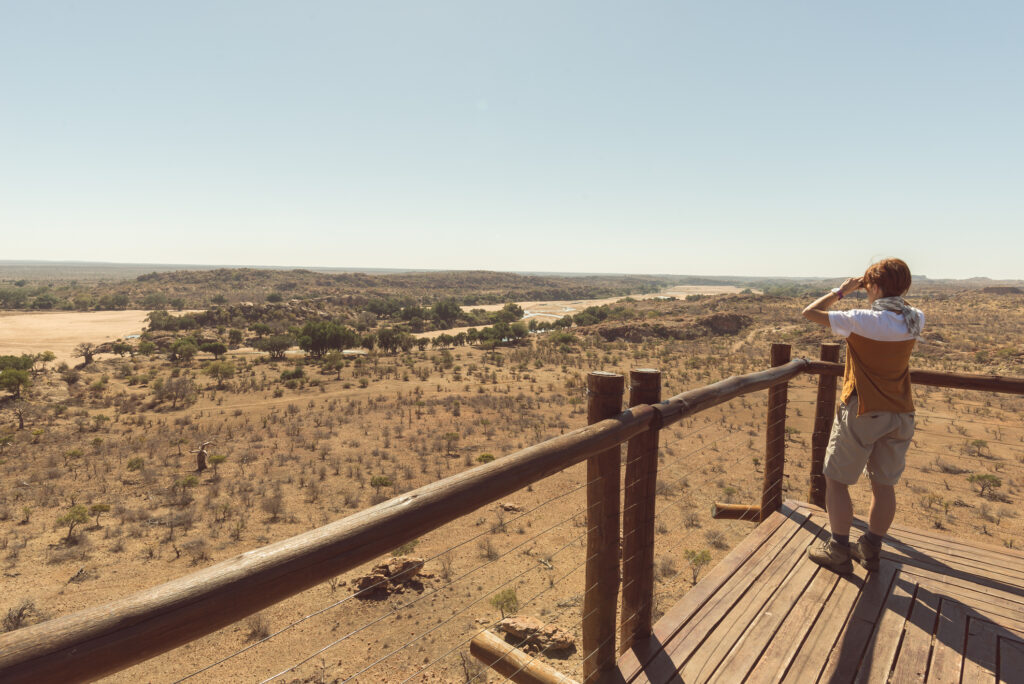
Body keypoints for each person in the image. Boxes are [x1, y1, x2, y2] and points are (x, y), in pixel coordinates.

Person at [801, 258, 924, 573]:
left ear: (876, 286)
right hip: (901, 413)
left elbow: (809, 313)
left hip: (864, 410)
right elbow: (900, 313)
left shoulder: (860, 320)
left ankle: (839, 550)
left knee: (836, 480)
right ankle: (870, 547)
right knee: (884, 485)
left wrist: (841, 291)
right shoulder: (915, 319)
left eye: (869, 285)